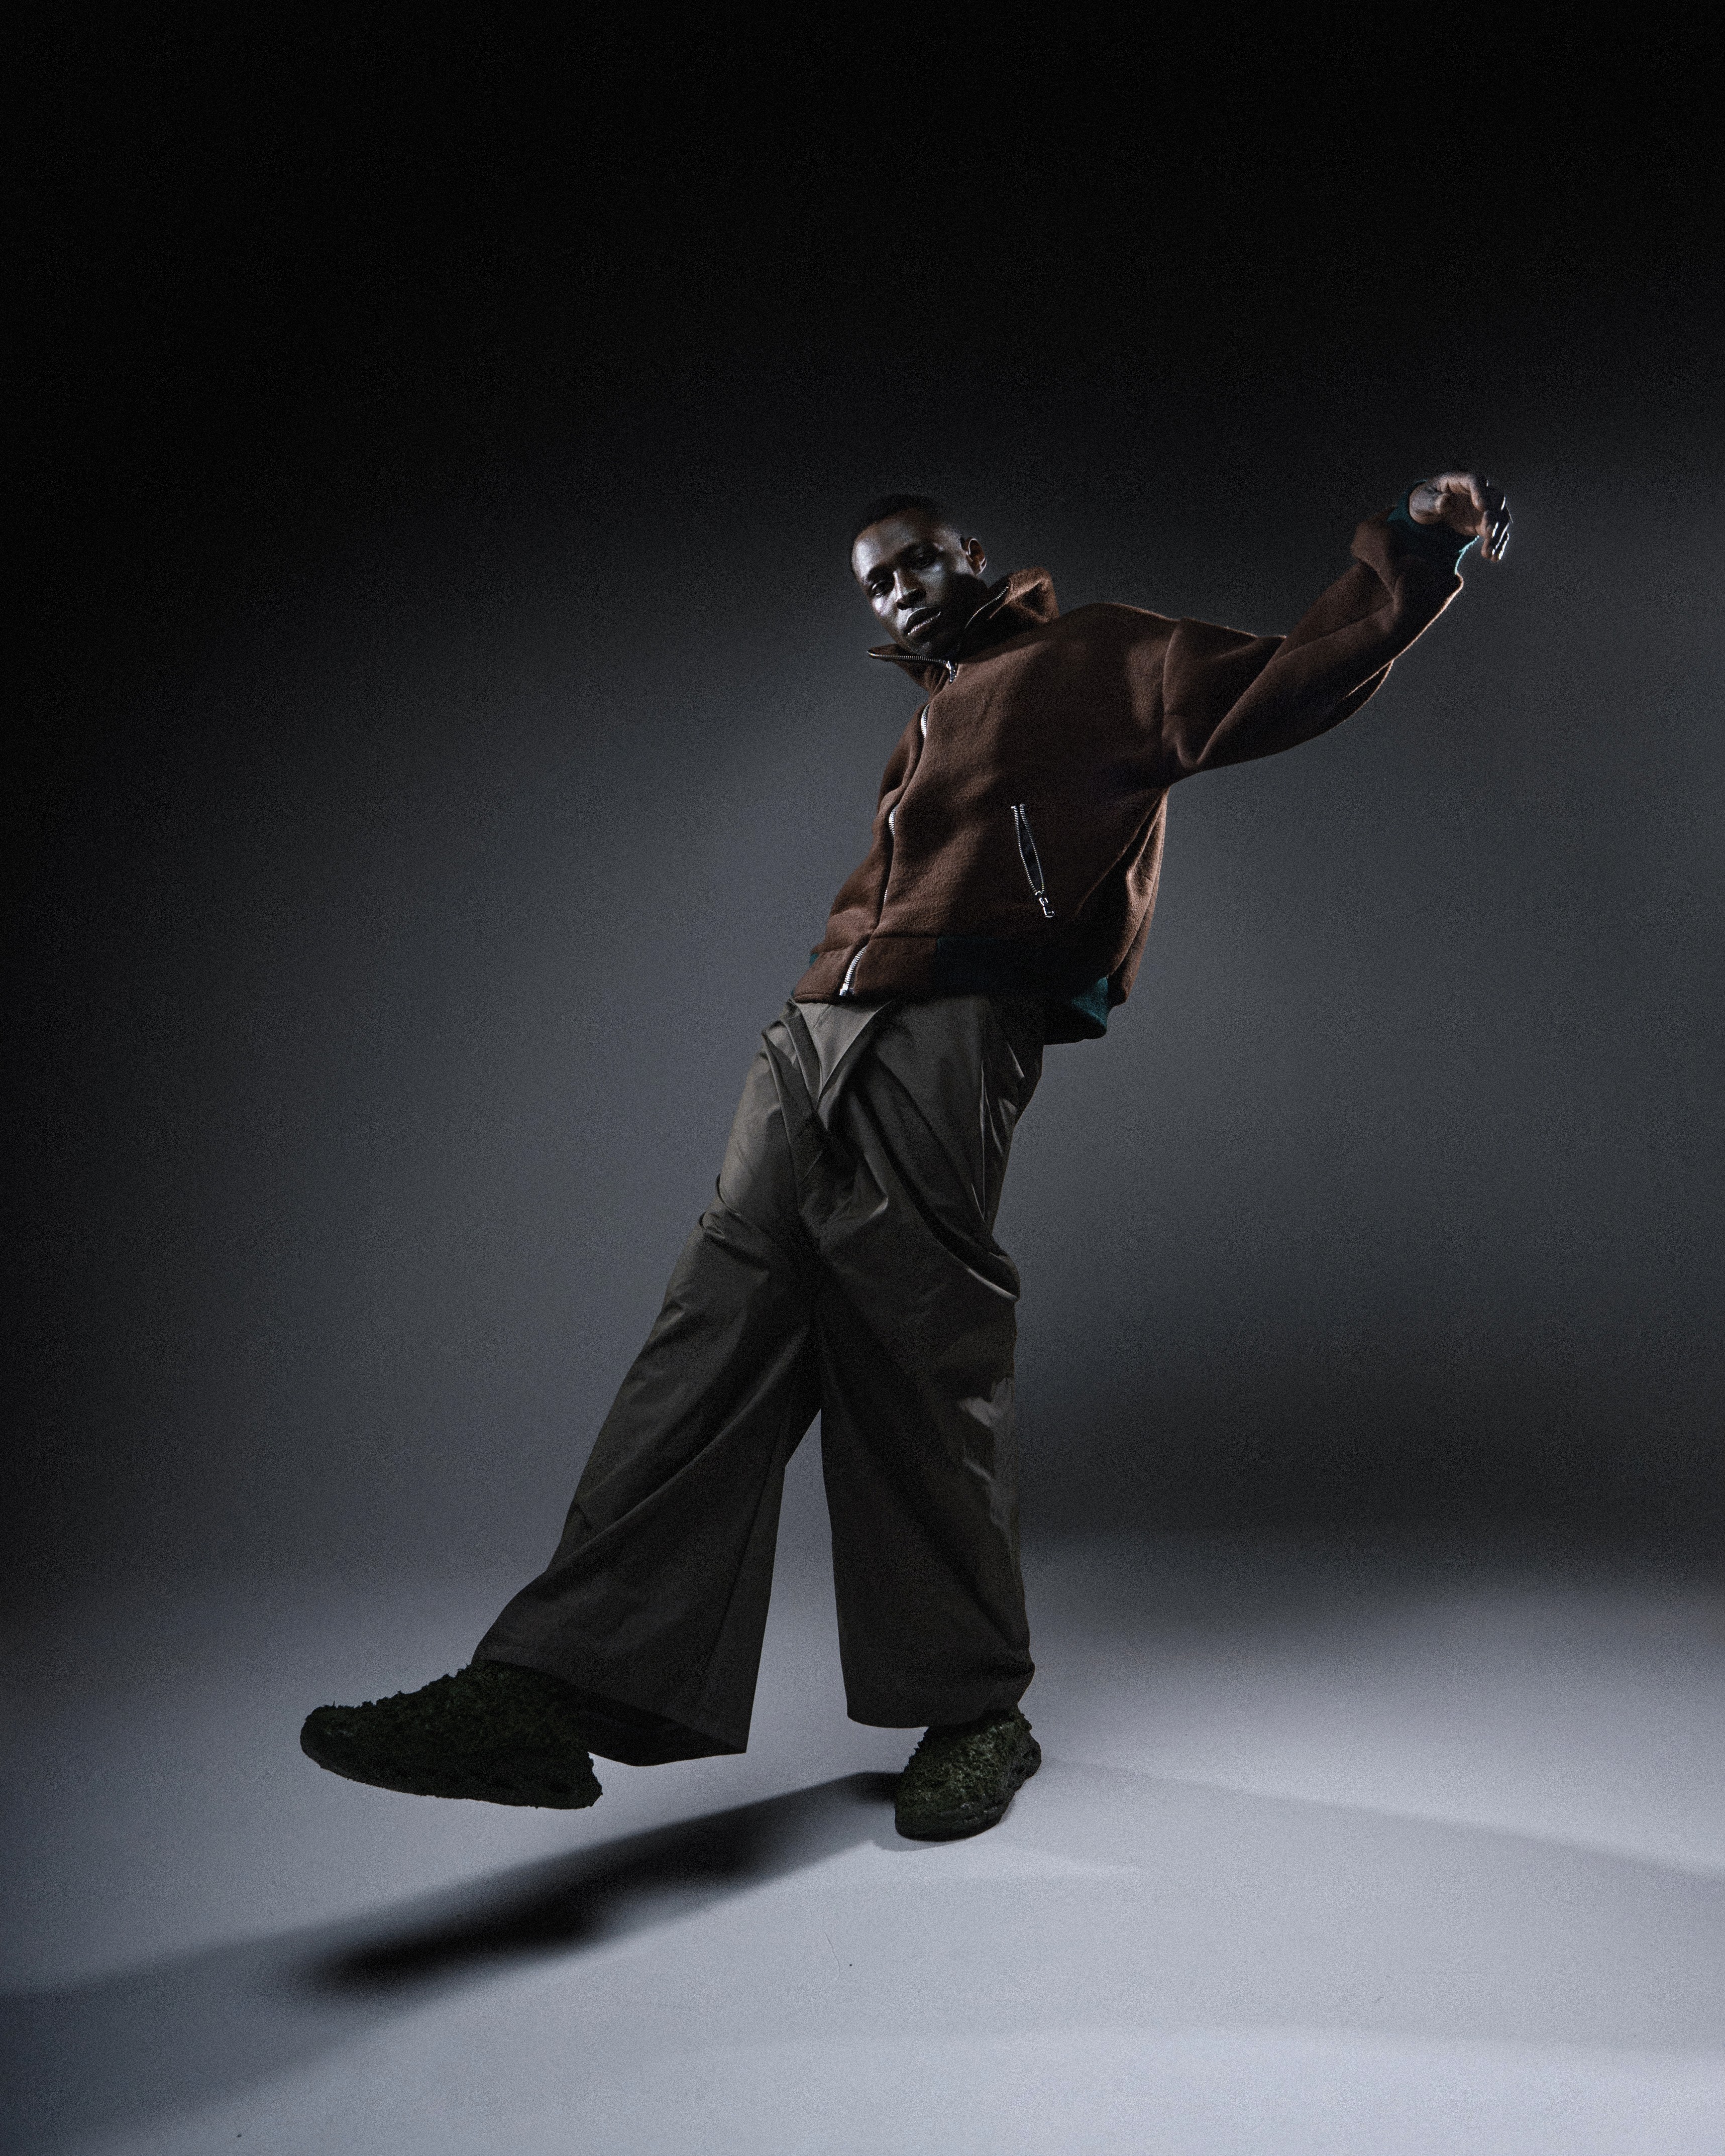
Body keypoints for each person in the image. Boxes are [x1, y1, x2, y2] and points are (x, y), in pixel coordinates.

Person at [301, 471, 1512, 1839]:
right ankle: (541, 1689)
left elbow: (1292, 680)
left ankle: (977, 1710)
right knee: (707, 1338)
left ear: (972, 554)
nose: (897, 594)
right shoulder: (936, 708)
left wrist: (1420, 549)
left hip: (950, 1019)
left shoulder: (1098, 653)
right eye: (875, 584)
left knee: (918, 1347)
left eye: (916, 563)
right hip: (813, 1030)